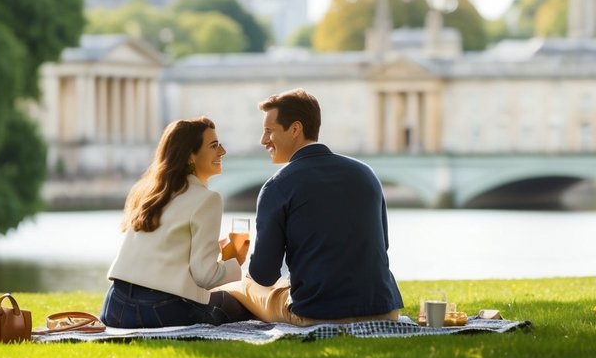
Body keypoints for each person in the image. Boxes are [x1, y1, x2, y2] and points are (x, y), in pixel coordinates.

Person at [216, 88, 403, 325]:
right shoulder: (366, 173)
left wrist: (236, 259)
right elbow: (382, 244)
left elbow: (263, 275)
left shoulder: (277, 186)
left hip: (318, 314)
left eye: (268, 131)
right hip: (385, 310)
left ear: (295, 129)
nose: (263, 140)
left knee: (239, 286)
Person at [101, 116, 253, 327]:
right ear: (190, 156)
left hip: (115, 308)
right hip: (160, 311)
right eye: (214, 145)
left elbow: (164, 254)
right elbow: (205, 278)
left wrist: (216, 254)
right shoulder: (208, 199)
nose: (222, 151)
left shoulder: (147, 192)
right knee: (242, 305)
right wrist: (235, 260)